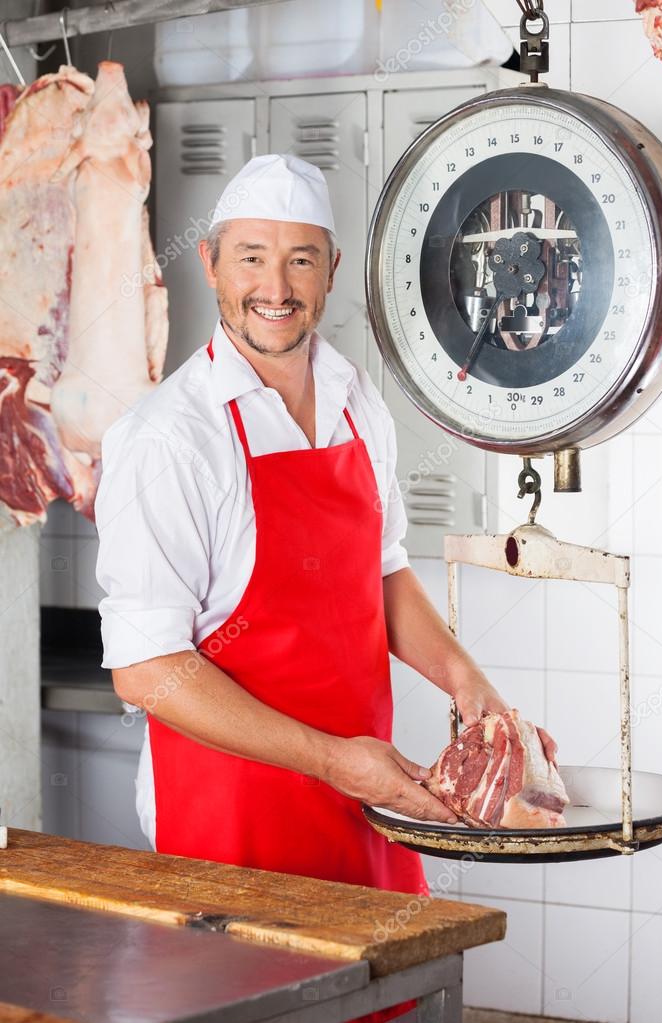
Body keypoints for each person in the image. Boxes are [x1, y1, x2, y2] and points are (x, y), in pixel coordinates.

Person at [95, 152, 557, 897]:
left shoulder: (355, 399)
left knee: (383, 998)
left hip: (367, 799)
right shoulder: (168, 439)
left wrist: (468, 683)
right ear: (210, 263)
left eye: (300, 259)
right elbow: (146, 668)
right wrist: (333, 759)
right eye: (251, 258)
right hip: (233, 821)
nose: (274, 289)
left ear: (332, 270)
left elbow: (382, 570)